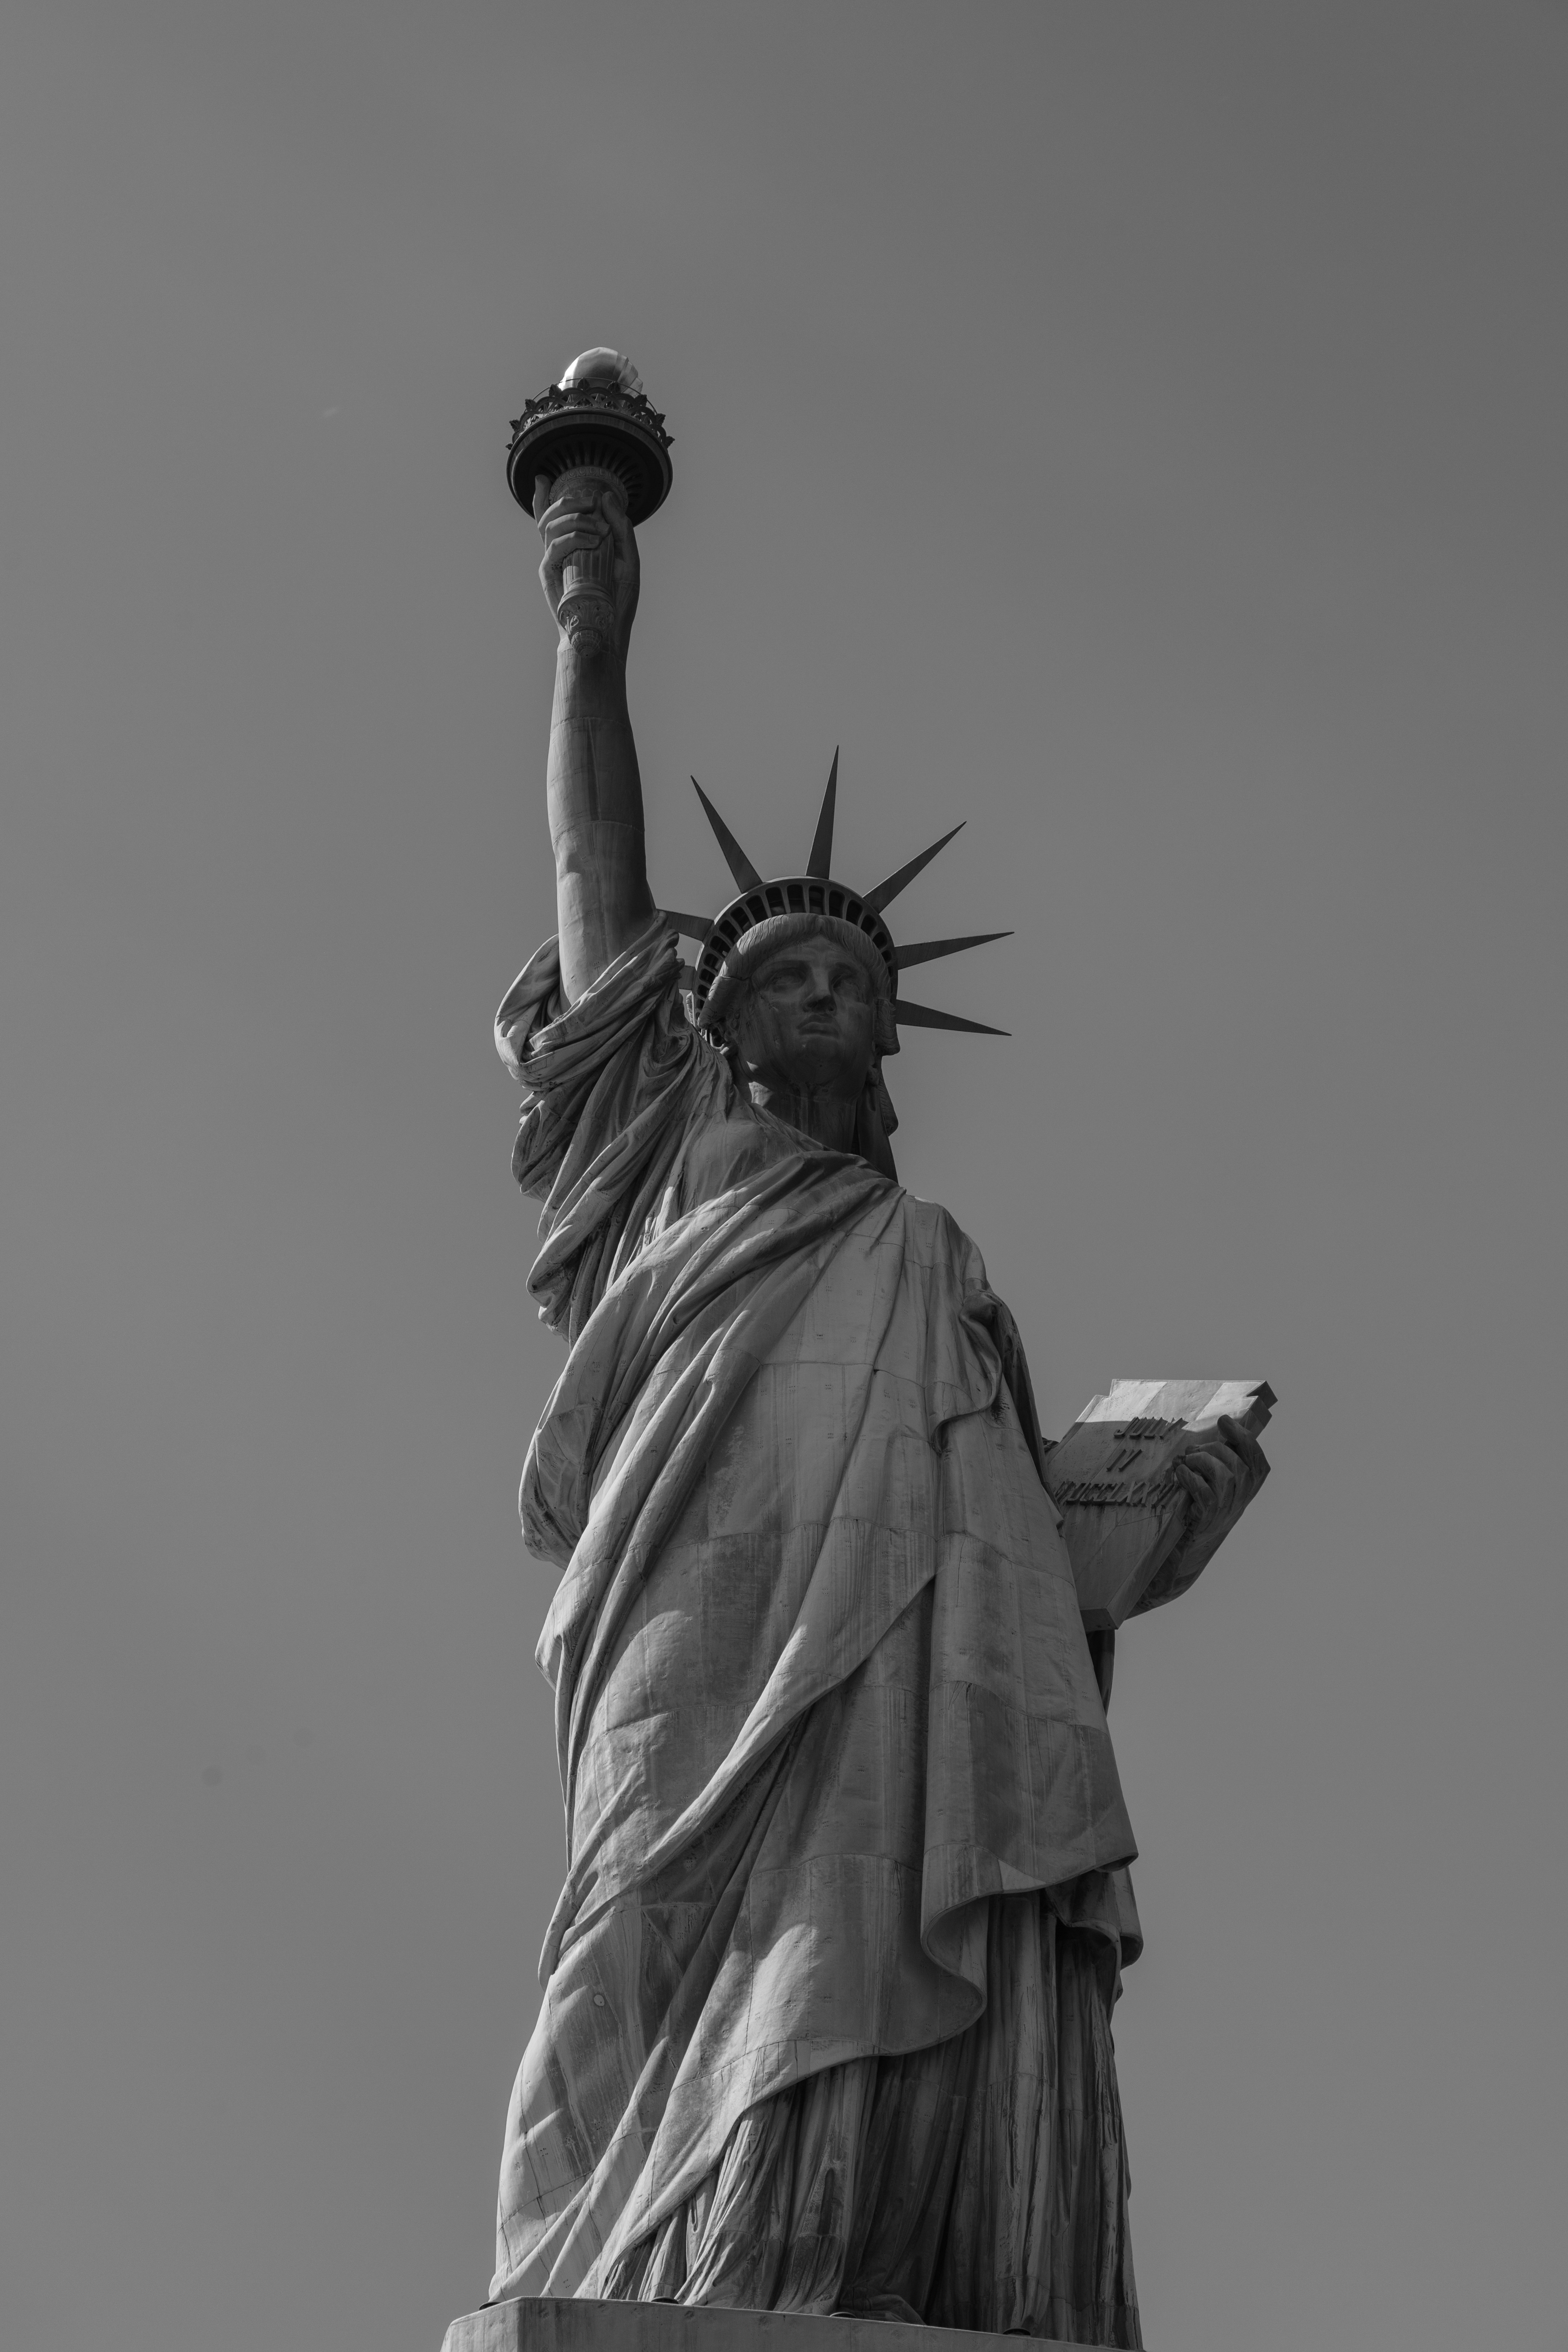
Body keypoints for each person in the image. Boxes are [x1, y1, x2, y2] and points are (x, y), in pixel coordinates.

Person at [487, 479, 1268, 2342]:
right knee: (634, 1923)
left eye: (852, 979)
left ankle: (857, 2243)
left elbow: (1014, 1556)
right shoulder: (674, 1158)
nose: (825, 995)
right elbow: (597, 882)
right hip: (699, 1605)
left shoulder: (934, 1261)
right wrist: (590, 630)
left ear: (892, 1036)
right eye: (786, 979)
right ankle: (622, 2257)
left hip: (924, 1671)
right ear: (720, 1028)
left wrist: (1140, 1513)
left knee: (894, 1910)